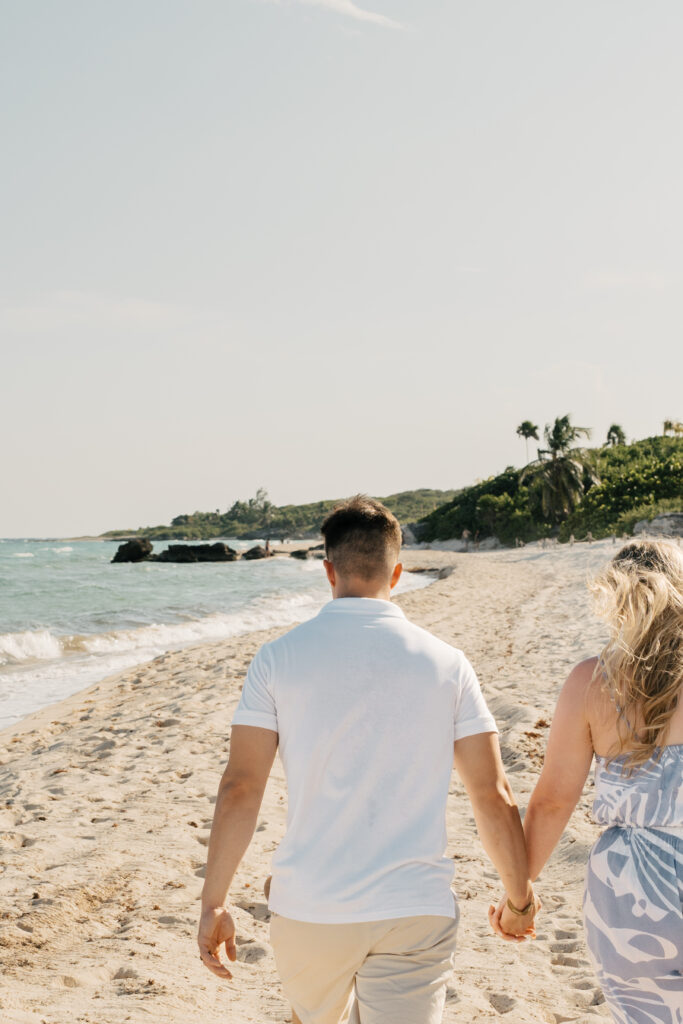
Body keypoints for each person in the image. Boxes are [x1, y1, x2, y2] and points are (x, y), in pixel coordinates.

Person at [198, 495, 537, 1024]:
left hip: (311, 908)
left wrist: (213, 904)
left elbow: (241, 787)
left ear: (327, 570)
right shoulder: (449, 664)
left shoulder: (277, 658)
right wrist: (518, 901)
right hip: (413, 909)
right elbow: (492, 795)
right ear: (397, 573)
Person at [491, 540, 683, 1022]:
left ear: (613, 599)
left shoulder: (592, 681)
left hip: (632, 895)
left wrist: (520, 897)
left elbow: (553, 802)